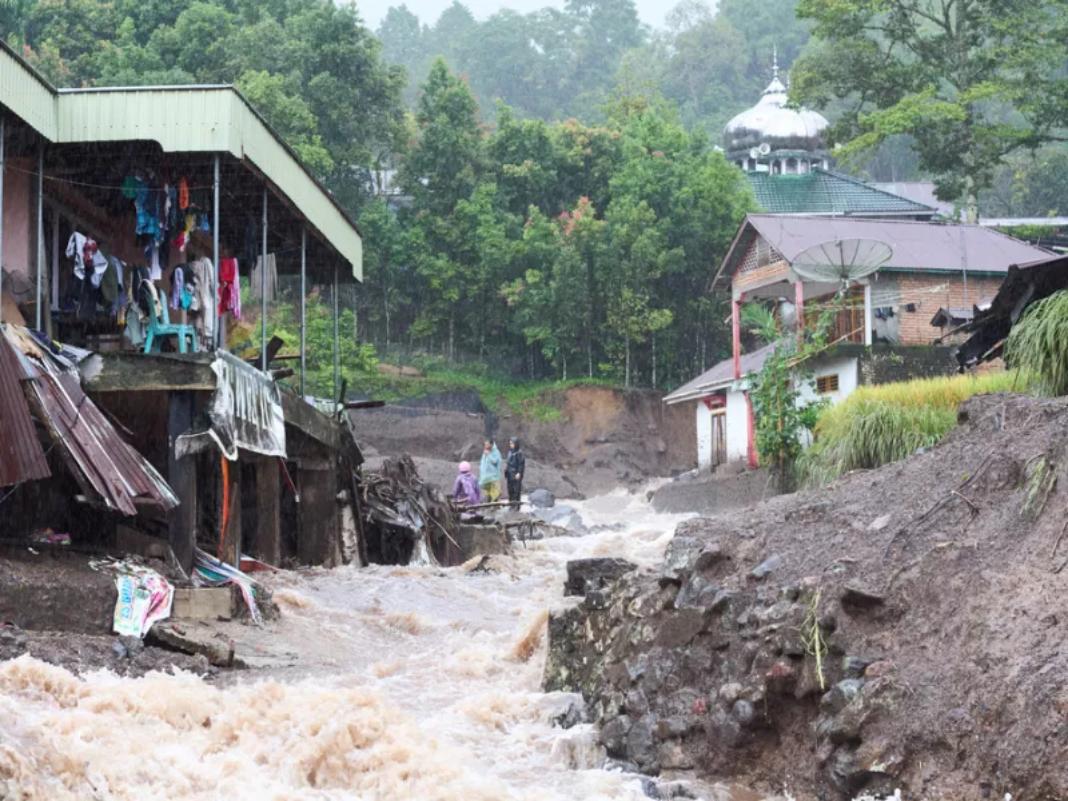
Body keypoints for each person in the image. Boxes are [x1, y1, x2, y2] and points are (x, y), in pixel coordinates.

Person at [505, 437, 525, 507]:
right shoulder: (510, 452)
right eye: (510, 444)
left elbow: (521, 464)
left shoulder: (519, 453)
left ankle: (516, 507)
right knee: (510, 490)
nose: (511, 445)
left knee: (516, 491)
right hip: (509, 474)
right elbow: (508, 463)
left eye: (512, 443)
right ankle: (511, 505)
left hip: (516, 474)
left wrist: (519, 473)